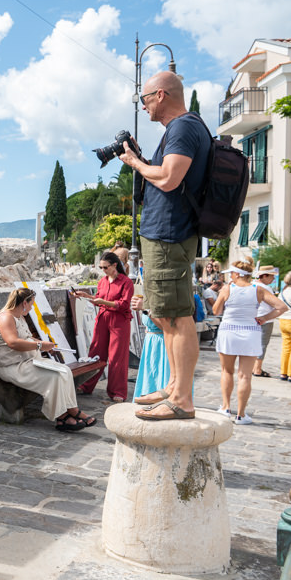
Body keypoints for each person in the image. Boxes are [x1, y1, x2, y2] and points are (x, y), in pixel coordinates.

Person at [120, 71, 210, 420]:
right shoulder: (183, 129)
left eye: (143, 100)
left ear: (160, 95)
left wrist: (136, 163)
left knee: (176, 315)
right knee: (163, 313)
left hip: (171, 235)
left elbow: (171, 178)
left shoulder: (184, 127)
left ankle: (182, 400)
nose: (143, 108)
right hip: (165, 235)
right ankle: (173, 386)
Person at [0, 287, 96, 431]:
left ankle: (71, 409)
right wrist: (40, 345)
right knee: (54, 376)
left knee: (64, 371)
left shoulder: (19, 317)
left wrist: (47, 345)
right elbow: (13, 342)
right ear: (24, 303)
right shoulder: (5, 318)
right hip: (13, 366)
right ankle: (62, 416)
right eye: (31, 303)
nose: (32, 306)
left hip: (29, 361)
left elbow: (27, 338)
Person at [211, 258, 287, 425]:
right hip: (250, 332)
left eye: (231, 273)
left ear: (237, 274)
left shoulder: (227, 288)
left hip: (228, 331)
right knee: (245, 376)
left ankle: (225, 408)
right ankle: (241, 415)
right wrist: (264, 318)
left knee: (227, 372)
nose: (230, 276)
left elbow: (216, 310)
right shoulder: (258, 289)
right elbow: (282, 307)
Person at [74, 251, 133, 401]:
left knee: (117, 357)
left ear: (114, 265)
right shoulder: (103, 281)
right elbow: (99, 299)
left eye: (105, 267)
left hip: (119, 320)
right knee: (96, 352)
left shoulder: (126, 282)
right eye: (101, 267)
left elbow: (124, 304)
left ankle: (117, 392)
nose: (103, 270)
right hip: (102, 318)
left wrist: (102, 302)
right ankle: (86, 385)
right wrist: (86, 296)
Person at [131, 296, 170, 401]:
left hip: (163, 345)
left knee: (161, 379)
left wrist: (146, 309)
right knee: (150, 379)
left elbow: (165, 326)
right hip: (151, 343)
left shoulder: (167, 297)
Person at [251, 265, 279, 378]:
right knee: (262, 343)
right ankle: (257, 369)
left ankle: (253, 367)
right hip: (265, 318)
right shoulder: (265, 288)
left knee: (254, 344)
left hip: (253, 317)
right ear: (265, 276)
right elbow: (274, 304)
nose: (273, 279)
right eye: (272, 276)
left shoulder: (252, 285)